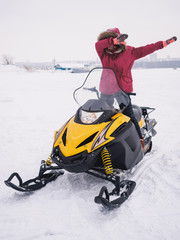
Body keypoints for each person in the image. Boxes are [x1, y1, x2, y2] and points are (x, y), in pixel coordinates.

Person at [95, 28, 177, 151]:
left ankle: (140, 141)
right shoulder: (103, 52)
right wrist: (113, 40)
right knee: (102, 116)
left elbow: (148, 48)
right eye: (108, 42)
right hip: (106, 89)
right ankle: (99, 143)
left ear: (120, 41)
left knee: (128, 115)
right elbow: (98, 44)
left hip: (122, 90)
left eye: (112, 43)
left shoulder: (130, 52)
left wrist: (163, 43)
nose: (110, 47)